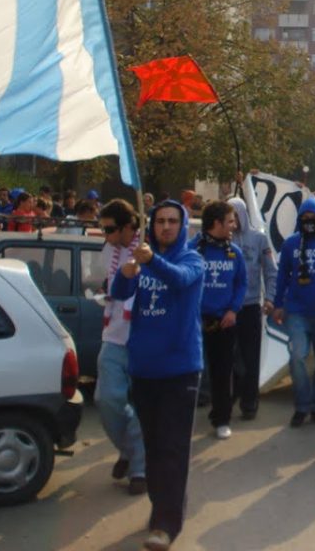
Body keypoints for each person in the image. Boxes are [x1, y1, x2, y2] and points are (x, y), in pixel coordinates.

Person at [111, 200, 205, 551]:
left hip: (180, 369)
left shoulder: (191, 260)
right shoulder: (143, 259)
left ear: (183, 227)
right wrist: (128, 271)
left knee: (173, 448)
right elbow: (119, 294)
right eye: (160, 221)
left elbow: (180, 281)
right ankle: (160, 507)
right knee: (152, 447)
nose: (166, 227)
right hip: (144, 368)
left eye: (172, 221)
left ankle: (166, 524)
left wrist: (152, 261)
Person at [94, 199, 147, 495]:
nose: (107, 235)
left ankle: (139, 468)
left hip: (141, 338)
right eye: (104, 229)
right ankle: (129, 450)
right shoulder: (108, 252)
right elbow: (111, 285)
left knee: (141, 406)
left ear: (129, 226)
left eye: (111, 229)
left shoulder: (148, 251)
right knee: (107, 399)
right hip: (113, 336)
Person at [273, 197, 315, 427]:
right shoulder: (291, 243)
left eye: (314, 218)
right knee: (297, 356)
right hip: (297, 311)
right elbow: (282, 276)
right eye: (305, 218)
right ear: (299, 220)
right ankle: (301, 406)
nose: (310, 222)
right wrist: (277, 303)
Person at [190, 201, 247, 440]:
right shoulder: (192, 250)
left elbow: (242, 283)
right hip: (194, 322)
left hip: (224, 322)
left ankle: (222, 418)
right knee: (191, 372)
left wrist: (233, 310)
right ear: (216, 223)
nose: (234, 225)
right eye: (230, 221)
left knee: (224, 373)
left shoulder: (235, 252)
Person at [227, 197, 278, 420]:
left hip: (250, 307)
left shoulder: (258, 238)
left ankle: (250, 402)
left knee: (250, 356)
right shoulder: (221, 240)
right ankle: (227, 398)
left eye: (235, 215)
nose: (232, 221)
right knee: (228, 358)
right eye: (228, 217)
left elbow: (270, 270)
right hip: (225, 308)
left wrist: (271, 298)